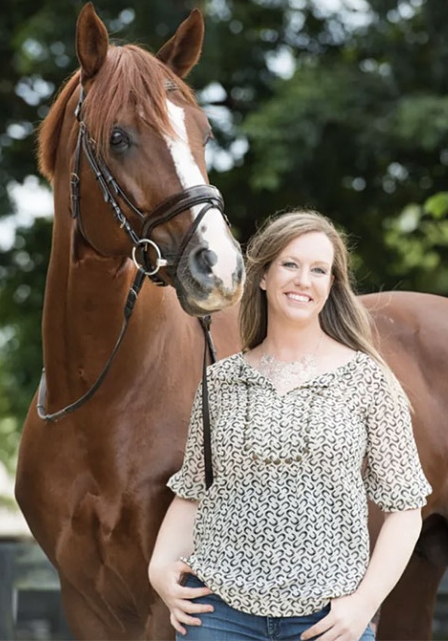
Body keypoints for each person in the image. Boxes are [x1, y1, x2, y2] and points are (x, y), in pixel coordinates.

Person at [148, 210, 432, 641]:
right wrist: (159, 569)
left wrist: (364, 605)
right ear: (262, 276)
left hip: (327, 620)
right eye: (290, 265)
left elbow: (406, 511)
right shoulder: (220, 381)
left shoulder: (368, 380)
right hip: (218, 613)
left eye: (319, 270)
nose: (304, 280)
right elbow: (192, 493)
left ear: (332, 285)